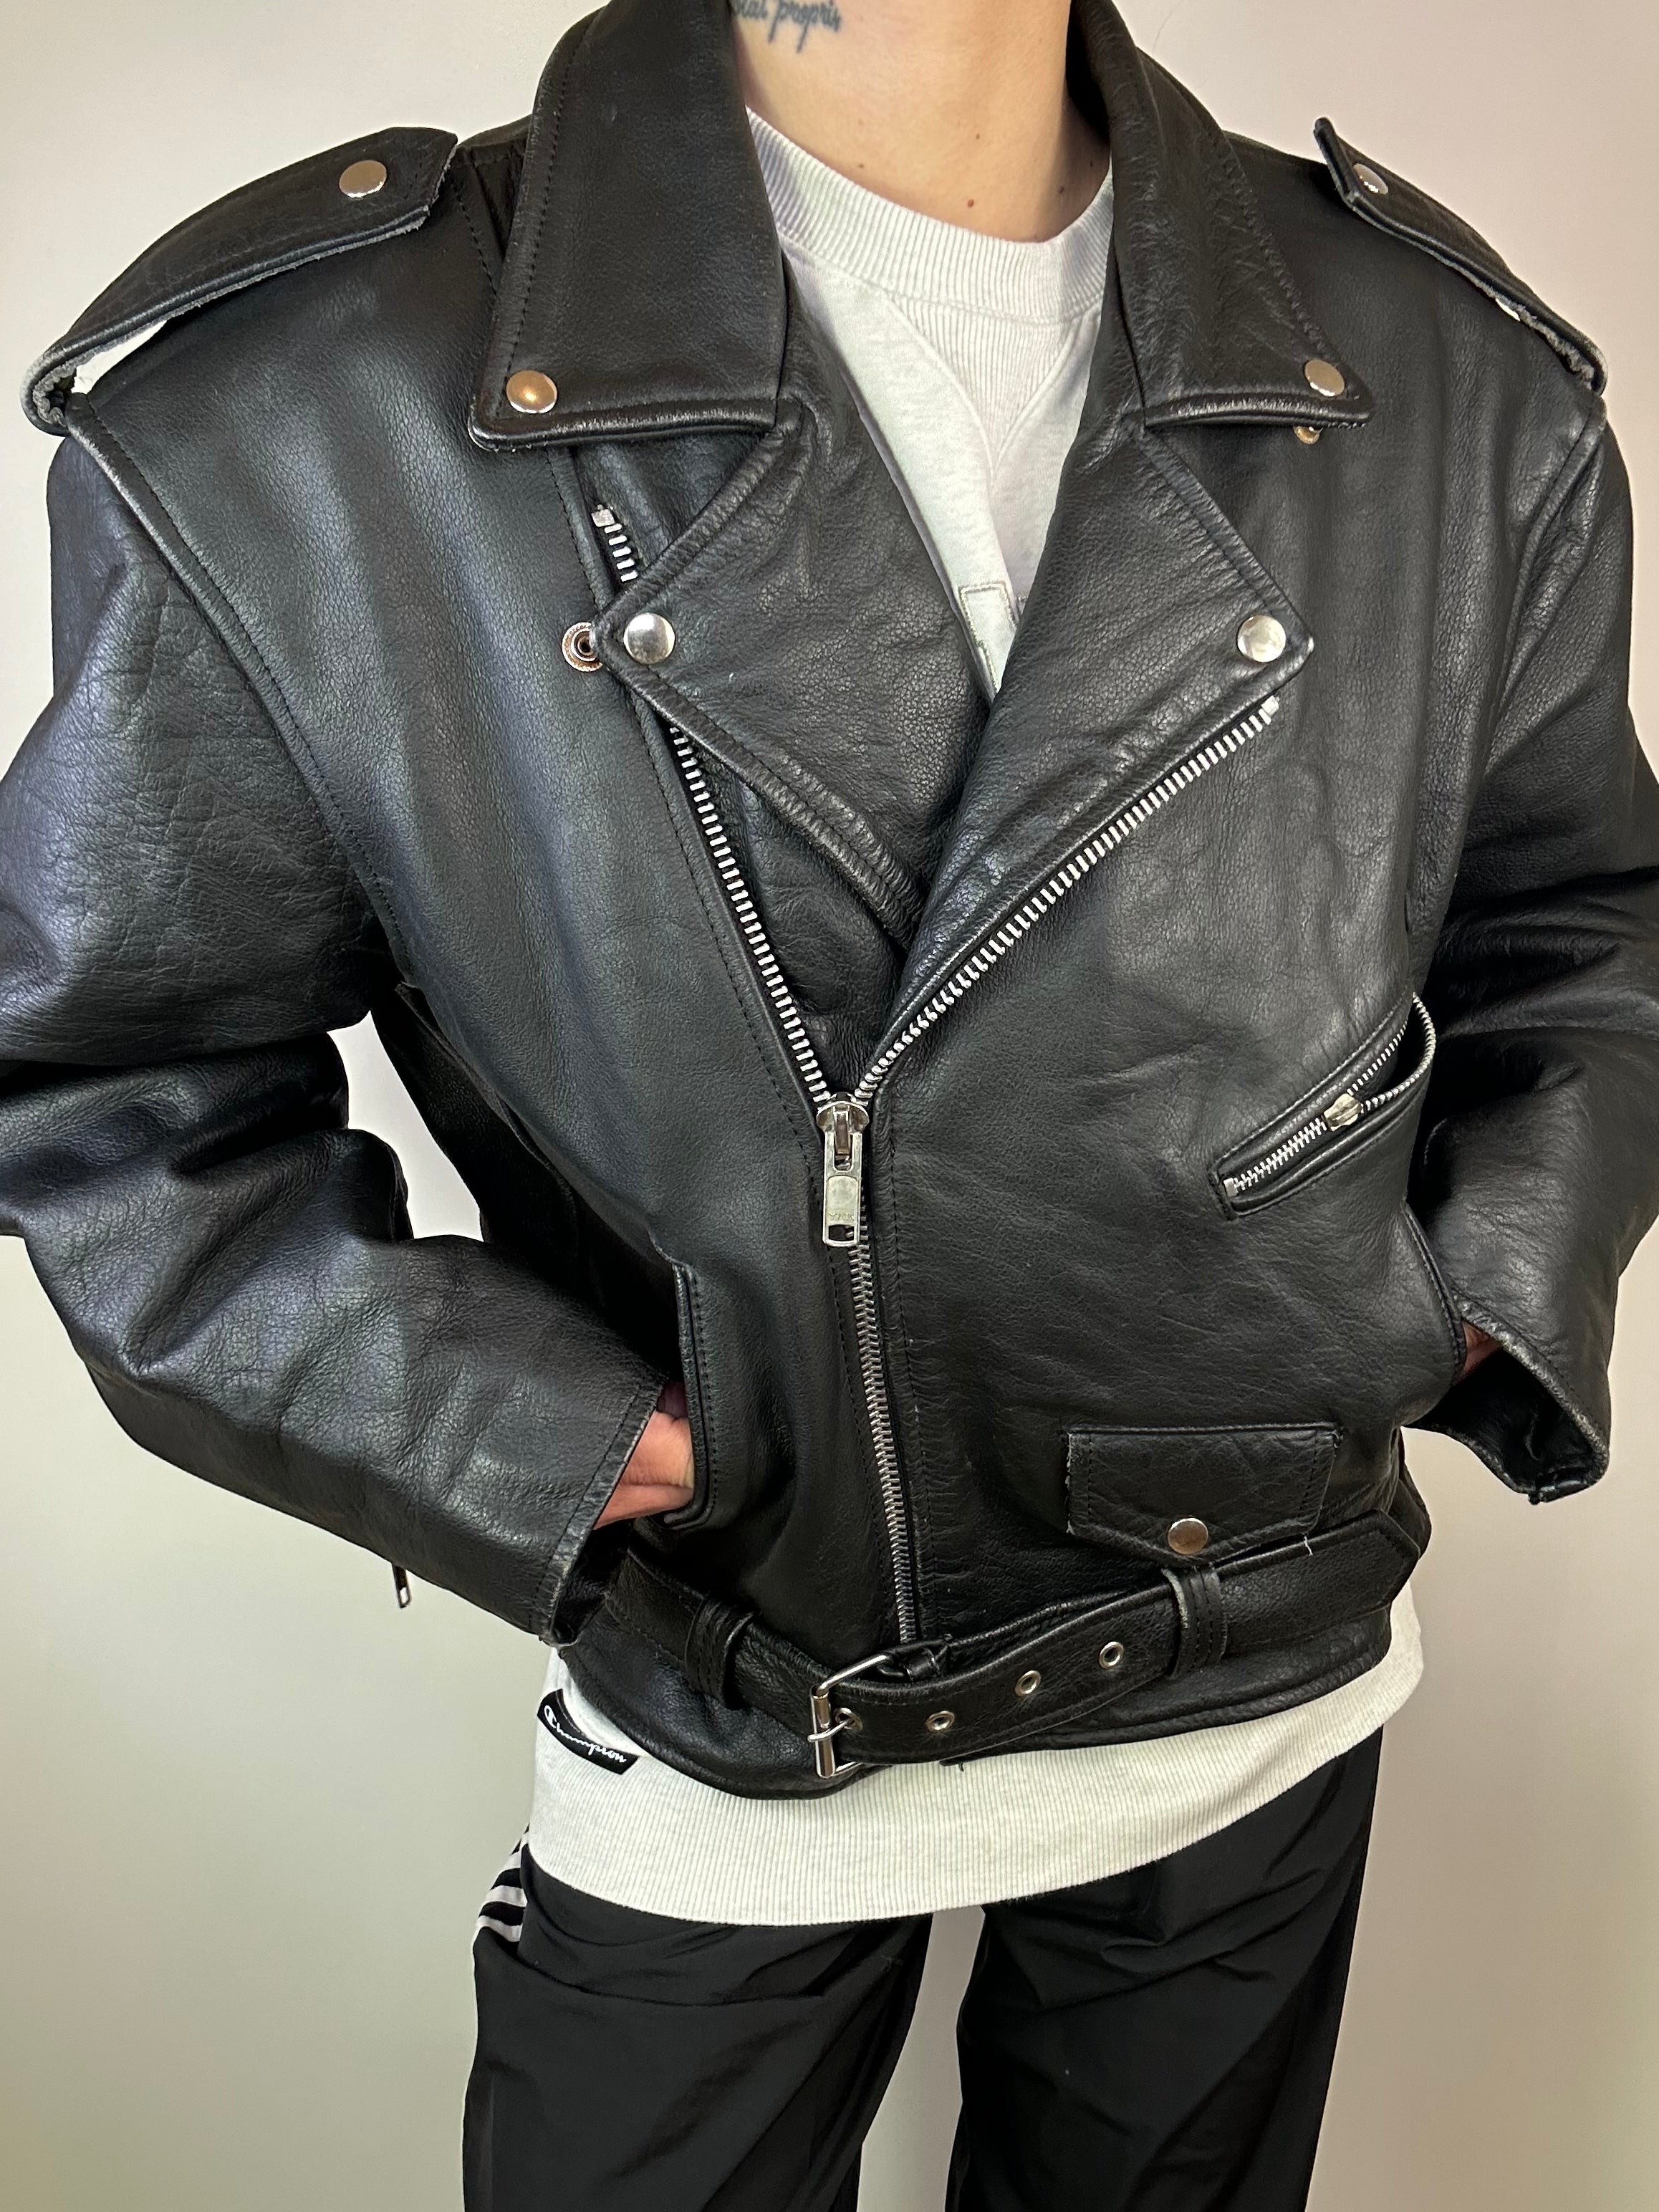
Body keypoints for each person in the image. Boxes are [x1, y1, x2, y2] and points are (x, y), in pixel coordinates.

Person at [4, 0, 1655, 2203]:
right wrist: (540, 1441)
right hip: (736, 1663)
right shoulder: (302, 402)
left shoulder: (1438, 369)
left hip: (1261, 1640)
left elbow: (1580, 926)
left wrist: (1459, 1296)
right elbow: (113, 1078)